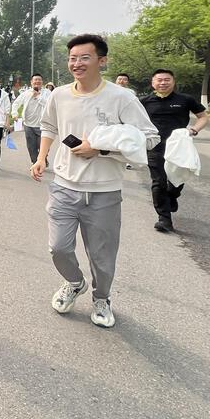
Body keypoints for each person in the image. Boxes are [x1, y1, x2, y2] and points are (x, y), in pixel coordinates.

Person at [31, 34, 159, 329]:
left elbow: (150, 138)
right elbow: (48, 126)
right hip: (64, 186)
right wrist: (41, 157)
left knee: (102, 256)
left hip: (104, 192)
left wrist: (101, 149)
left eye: (84, 58)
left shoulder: (121, 98)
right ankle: (75, 282)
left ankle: (102, 298)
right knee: (59, 248)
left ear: (102, 61)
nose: (76, 63)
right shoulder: (59, 95)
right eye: (72, 58)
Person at [139, 69, 208, 233]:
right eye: (159, 80)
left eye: (167, 79)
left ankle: (172, 196)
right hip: (154, 147)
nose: (163, 83)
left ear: (173, 81)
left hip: (179, 146)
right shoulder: (144, 102)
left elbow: (203, 117)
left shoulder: (185, 99)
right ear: (153, 83)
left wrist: (194, 130)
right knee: (159, 182)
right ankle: (164, 219)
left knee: (178, 179)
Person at [11, 73, 50, 164]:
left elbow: (49, 105)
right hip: (28, 124)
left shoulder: (47, 93)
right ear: (31, 82)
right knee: (31, 146)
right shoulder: (26, 93)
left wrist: (38, 96)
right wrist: (14, 114)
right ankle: (35, 162)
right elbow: (16, 103)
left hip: (43, 125)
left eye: (39, 80)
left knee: (43, 146)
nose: (37, 81)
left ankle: (43, 158)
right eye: (35, 80)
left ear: (42, 82)